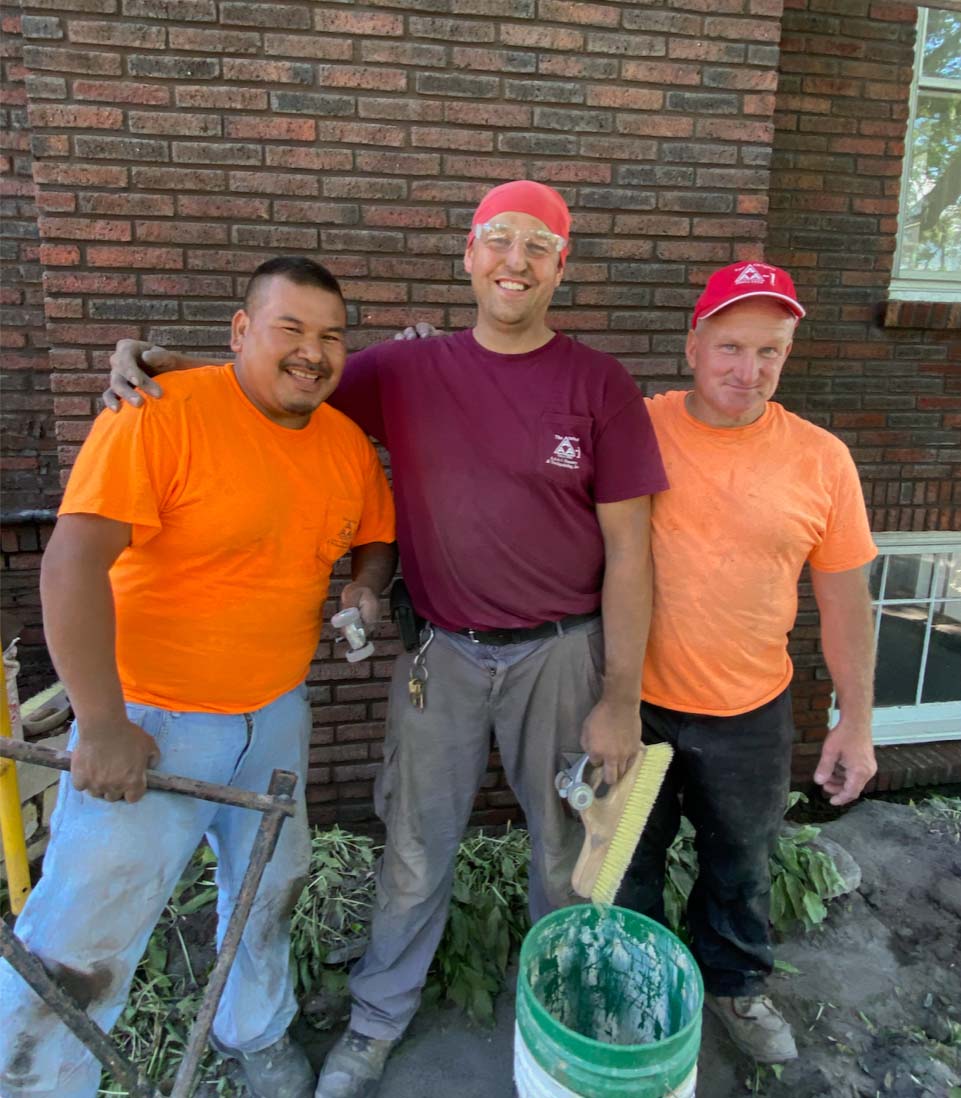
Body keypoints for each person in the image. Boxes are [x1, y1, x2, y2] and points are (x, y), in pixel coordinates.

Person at [103, 180, 669, 1098]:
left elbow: (631, 551)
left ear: (561, 266)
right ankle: (376, 1022)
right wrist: (149, 357)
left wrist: (619, 698)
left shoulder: (597, 384)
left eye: (537, 246)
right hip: (439, 651)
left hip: (561, 652)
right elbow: (280, 377)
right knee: (412, 846)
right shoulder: (407, 371)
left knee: (569, 852)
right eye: (498, 241)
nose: (515, 262)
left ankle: (558, 1024)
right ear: (468, 257)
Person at [0, 257, 397, 1098]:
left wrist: (365, 586)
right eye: (289, 328)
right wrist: (103, 725)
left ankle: (253, 1033)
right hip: (154, 723)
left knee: (270, 894)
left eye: (329, 336)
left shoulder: (342, 444)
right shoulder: (158, 413)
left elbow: (374, 532)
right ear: (239, 332)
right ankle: (34, 1082)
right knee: (86, 937)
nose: (311, 352)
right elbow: (70, 566)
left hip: (276, 718)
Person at [618, 260, 878, 1064]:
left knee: (740, 868)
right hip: (632, 707)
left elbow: (844, 603)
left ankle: (732, 985)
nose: (748, 369)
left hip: (750, 714)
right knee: (626, 865)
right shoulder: (633, 426)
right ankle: (635, 990)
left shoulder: (820, 459)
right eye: (730, 346)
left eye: (769, 351)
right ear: (692, 344)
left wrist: (855, 724)